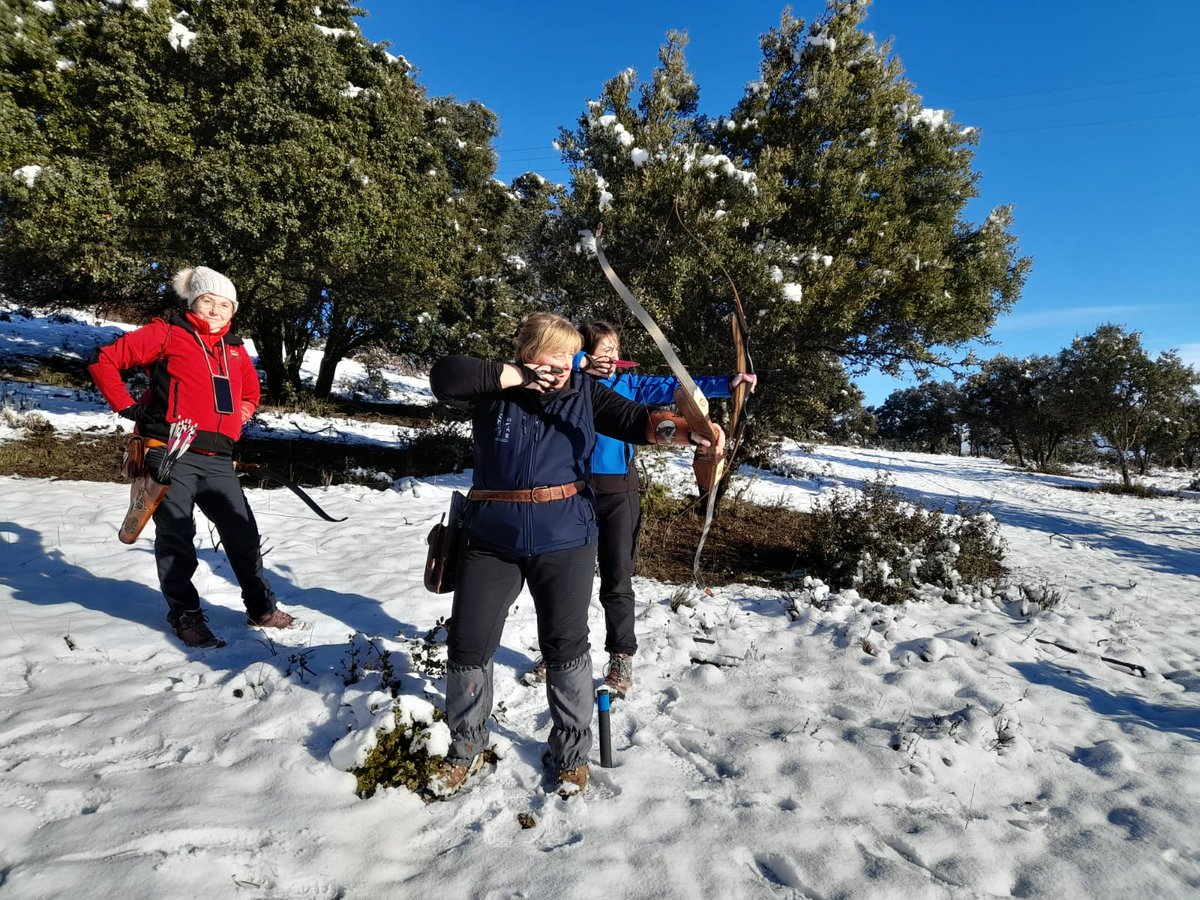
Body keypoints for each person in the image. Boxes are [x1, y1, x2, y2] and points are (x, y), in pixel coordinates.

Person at [428, 312, 723, 798]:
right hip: (490, 540)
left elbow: (639, 423)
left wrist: (687, 433)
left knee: (565, 648)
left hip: (565, 537)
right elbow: (445, 376)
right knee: (467, 646)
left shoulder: (584, 393)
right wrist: (520, 377)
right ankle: (466, 750)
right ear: (527, 352)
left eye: (571, 355)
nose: (565, 364)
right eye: (555, 354)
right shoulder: (492, 388)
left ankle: (569, 756)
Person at [88, 265, 294, 649]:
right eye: (207, 301)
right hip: (169, 452)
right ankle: (184, 614)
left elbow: (250, 394)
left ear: (233, 311)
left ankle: (261, 608)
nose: (215, 311)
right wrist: (126, 406)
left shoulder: (235, 350)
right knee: (178, 536)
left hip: (218, 458)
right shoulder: (168, 335)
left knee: (242, 533)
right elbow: (104, 359)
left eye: (224, 305)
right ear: (193, 302)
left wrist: (238, 420)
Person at [569, 321, 756, 698]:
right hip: (572, 491)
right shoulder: (569, 383)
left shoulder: (631, 385)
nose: (613, 357)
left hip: (619, 490)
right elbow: (550, 363)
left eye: (616, 349)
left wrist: (728, 383)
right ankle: (563, 653)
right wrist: (579, 362)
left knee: (617, 578)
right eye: (604, 349)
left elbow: (678, 387)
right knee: (568, 579)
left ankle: (621, 656)